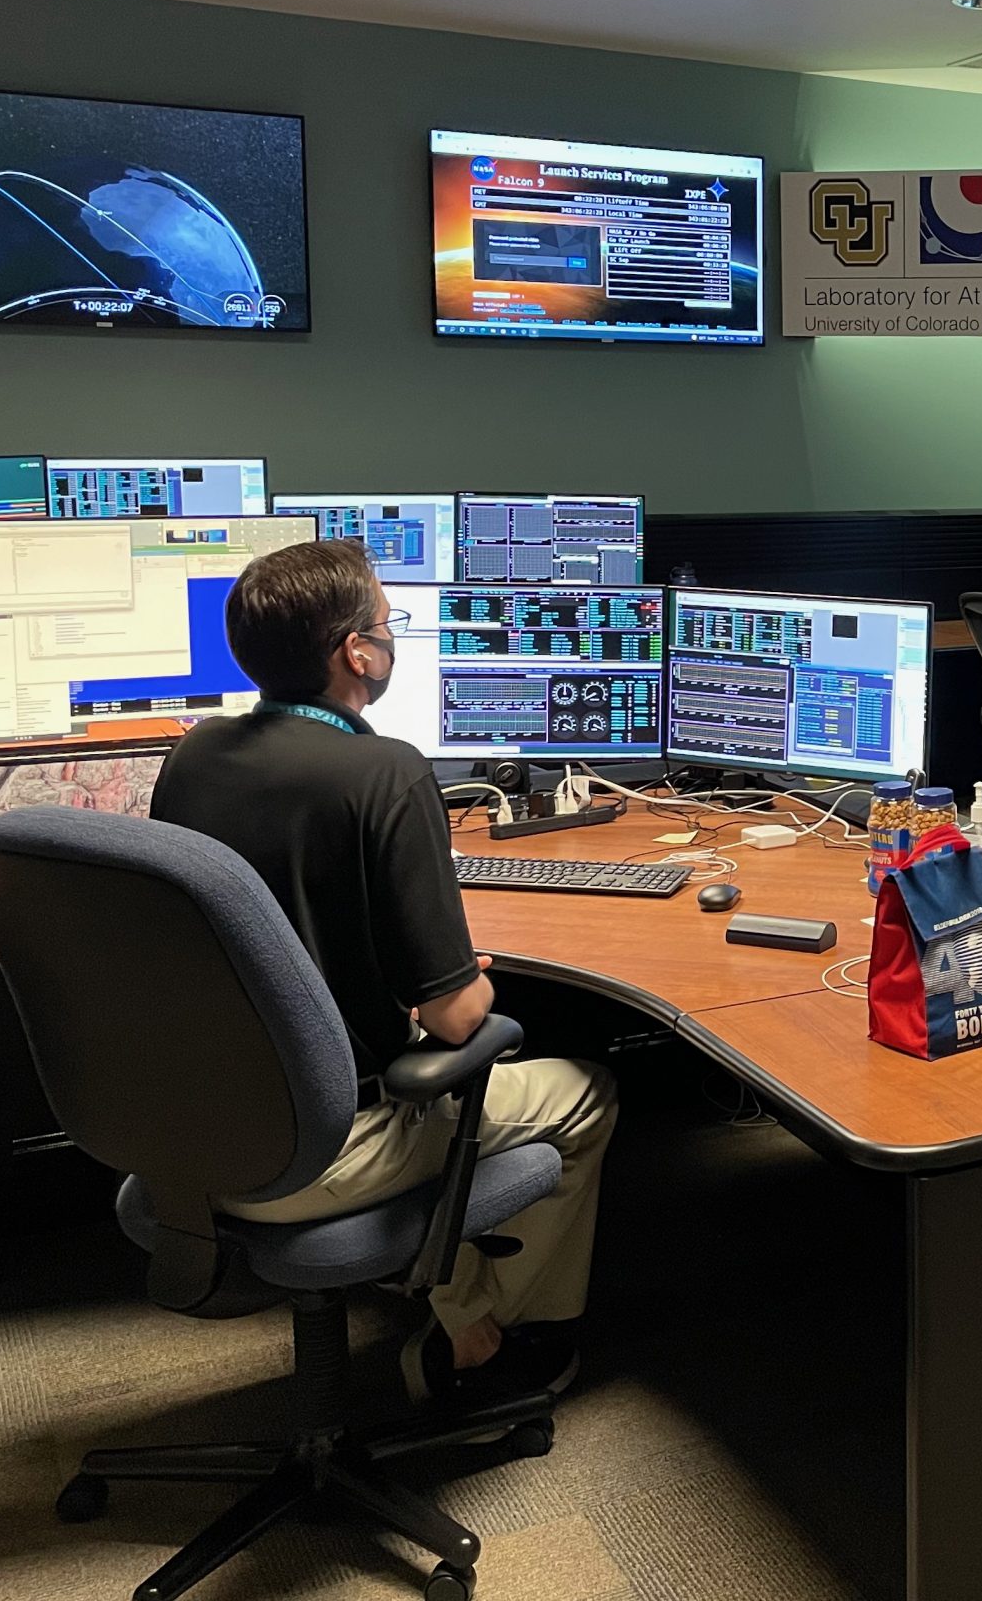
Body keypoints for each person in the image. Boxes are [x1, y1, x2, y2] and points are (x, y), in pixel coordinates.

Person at [152, 539, 616, 1406]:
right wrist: (458, 978)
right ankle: (493, 1347)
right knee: (579, 1093)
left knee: (448, 1085)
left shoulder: (196, 753)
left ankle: (456, 1307)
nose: (392, 638)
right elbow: (454, 1021)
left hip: (187, 1136)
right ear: (356, 654)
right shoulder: (385, 771)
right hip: (323, 1149)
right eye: (387, 624)